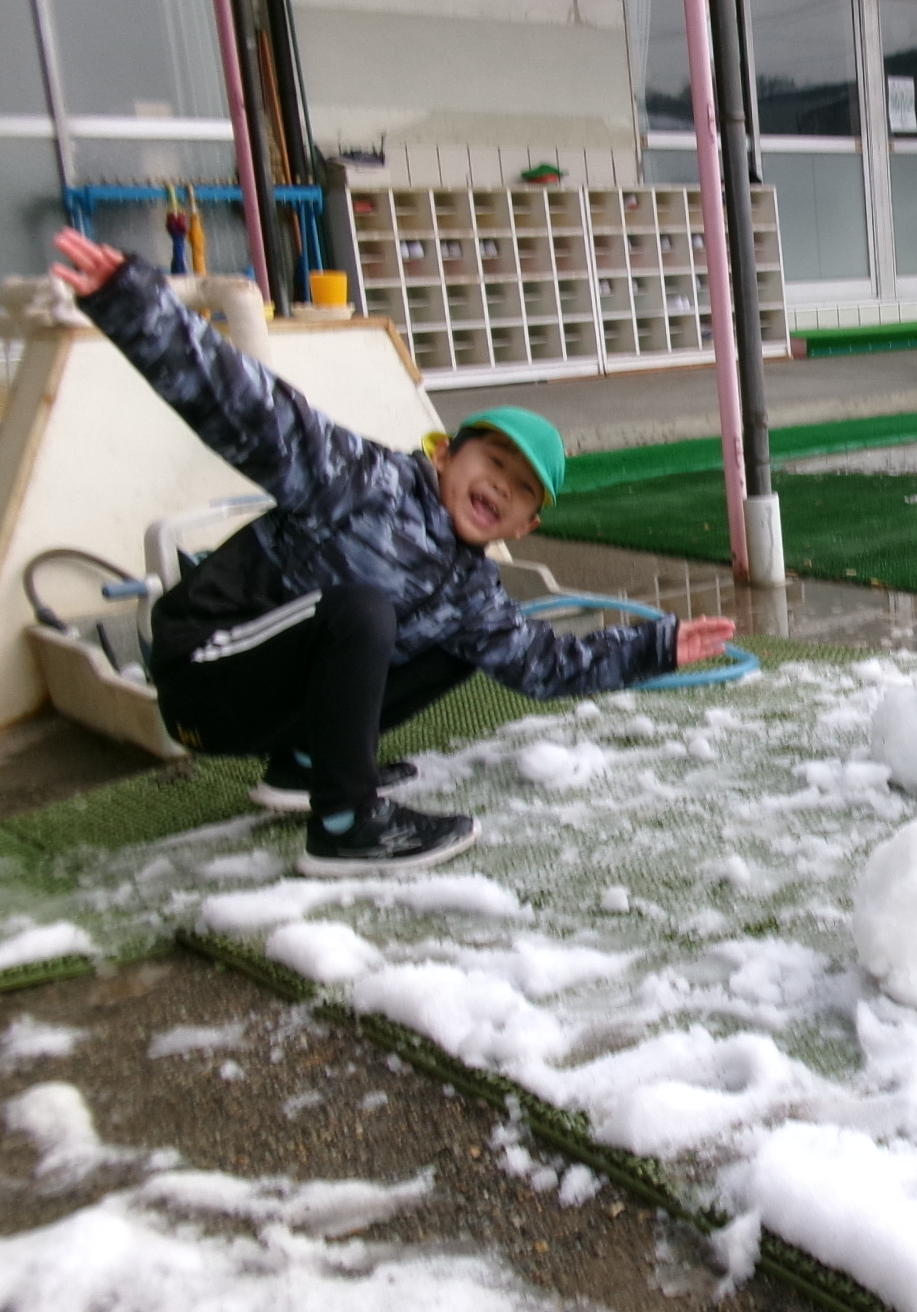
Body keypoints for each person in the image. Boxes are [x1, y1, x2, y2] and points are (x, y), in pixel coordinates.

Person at [50, 229, 735, 876]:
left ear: (524, 527)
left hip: (275, 692)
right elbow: (249, 407)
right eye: (493, 460)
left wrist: (658, 647)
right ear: (442, 454)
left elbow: (542, 664)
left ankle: (306, 762)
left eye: (522, 488)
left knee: (461, 644)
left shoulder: (473, 591)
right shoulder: (353, 478)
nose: (501, 484)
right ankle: (346, 826)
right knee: (362, 610)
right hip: (207, 673)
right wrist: (134, 304)